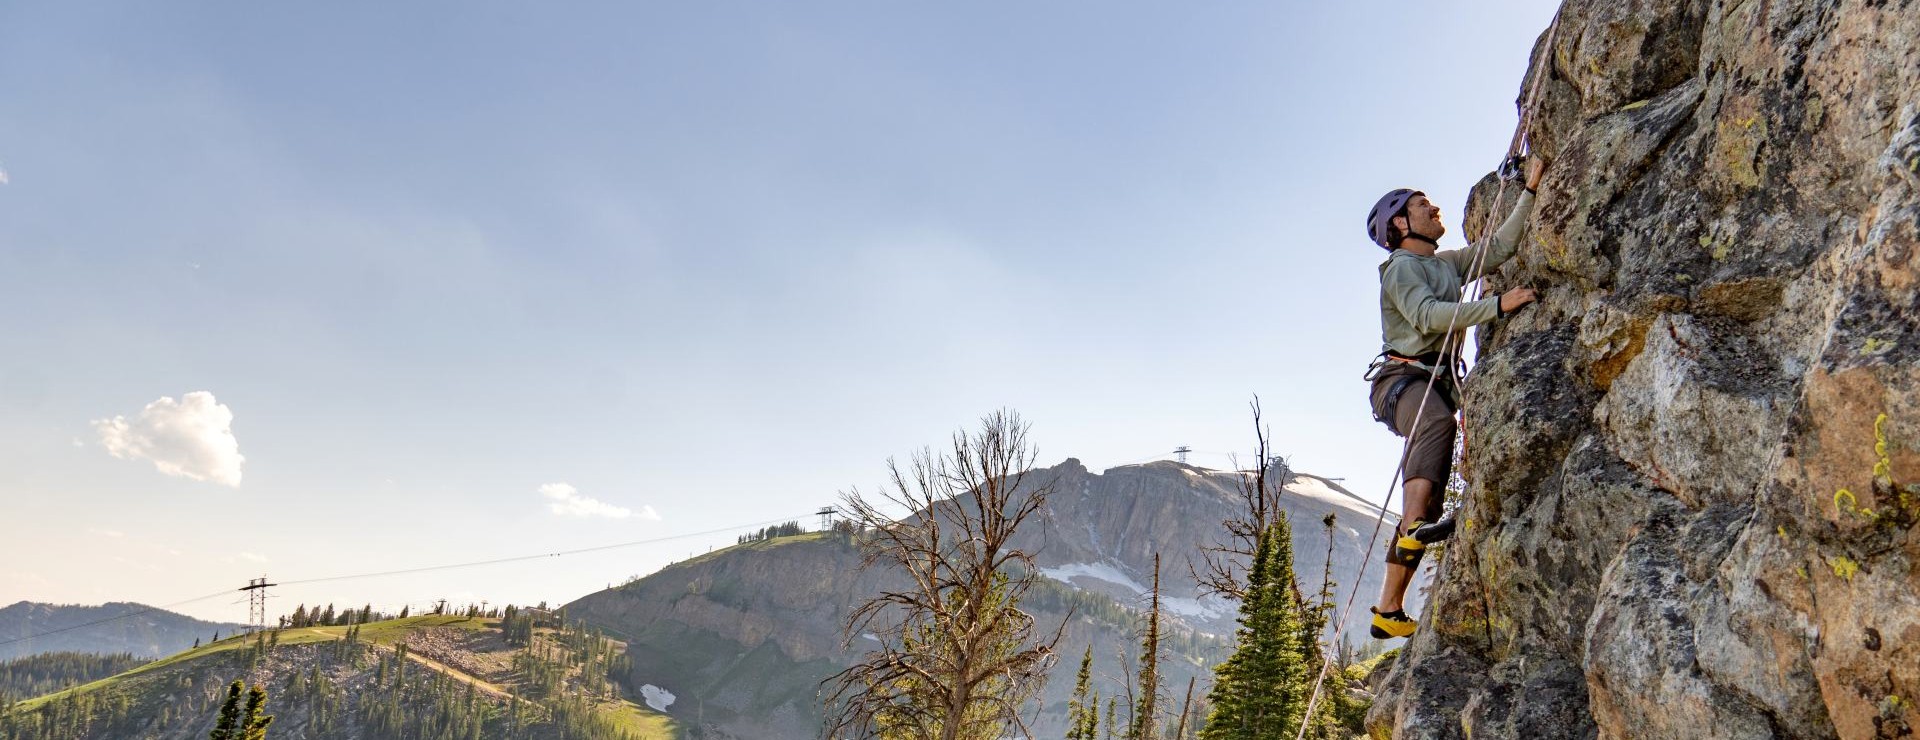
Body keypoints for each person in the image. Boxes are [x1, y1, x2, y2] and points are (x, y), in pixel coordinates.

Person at [1363, 157, 1545, 639]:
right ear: (1401, 224)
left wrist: (1529, 191)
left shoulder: (1443, 264)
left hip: (1431, 382)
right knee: (1436, 424)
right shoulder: (1400, 269)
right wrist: (1496, 306)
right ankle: (1412, 529)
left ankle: (1388, 610)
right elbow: (1427, 316)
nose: (1433, 207)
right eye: (1422, 205)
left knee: (1428, 500)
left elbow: (1499, 248)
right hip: (1402, 382)